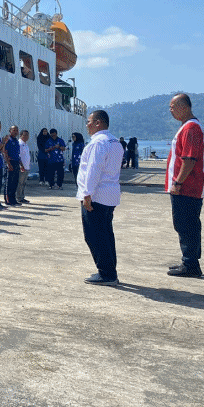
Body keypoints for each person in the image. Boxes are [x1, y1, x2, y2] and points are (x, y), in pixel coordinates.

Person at [76, 110, 124, 285]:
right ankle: (110, 269)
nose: (87, 125)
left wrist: (86, 194)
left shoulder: (98, 143)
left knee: (94, 235)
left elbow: (93, 170)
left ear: (98, 123)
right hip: (109, 194)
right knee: (106, 234)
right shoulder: (115, 142)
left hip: (97, 195)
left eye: (89, 121)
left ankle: (106, 273)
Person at [166, 93, 204, 278]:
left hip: (187, 187)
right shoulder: (187, 127)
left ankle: (191, 264)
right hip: (187, 186)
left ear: (184, 107)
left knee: (185, 224)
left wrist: (177, 182)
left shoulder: (191, 128)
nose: (171, 110)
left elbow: (189, 159)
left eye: (173, 107)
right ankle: (189, 260)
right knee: (188, 223)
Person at [4, 126, 21, 206]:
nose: (15, 132)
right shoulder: (8, 140)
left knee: (15, 182)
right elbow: (5, 152)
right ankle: (8, 200)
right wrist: (8, 164)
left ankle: (13, 199)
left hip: (16, 162)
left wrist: (21, 164)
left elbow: (17, 154)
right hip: (10, 162)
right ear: (10, 131)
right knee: (9, 182)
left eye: (17, 130)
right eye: (14, 130)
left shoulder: (16, 141)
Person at [16, 130, 31, 204]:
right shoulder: (19, 143)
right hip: (22, 167)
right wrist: (21, 165)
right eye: (24, 135)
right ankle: (18, 197)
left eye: (27, 135)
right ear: (21, 135)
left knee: (23, 183)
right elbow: (18, 156)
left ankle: (22, 196)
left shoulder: (25, 144)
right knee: (20, 183)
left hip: (26, 166)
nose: (26, 137)